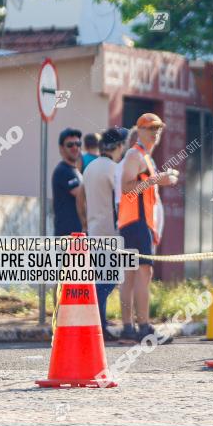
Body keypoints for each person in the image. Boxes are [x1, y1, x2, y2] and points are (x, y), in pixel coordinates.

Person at [117, 114, 178, 343]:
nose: (155, 132)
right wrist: (156, 180)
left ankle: (129, 328)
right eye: (151, 128)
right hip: (135, 223)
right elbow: (126, 187)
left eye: (159, 128)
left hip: (134, 223)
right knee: (143, 273)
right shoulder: (135, 154)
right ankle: (142, 326)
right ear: (139, 130)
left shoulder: (144, 157)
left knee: (131, 276)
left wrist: (159, 179)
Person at [79, 126, 129, 339]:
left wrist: (85, 222)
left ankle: (99, 320)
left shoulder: (89, 168)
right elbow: (121, 200)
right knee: (108, 278)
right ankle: (96, 322)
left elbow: (80, 198)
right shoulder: (114, 169)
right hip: (111, 231)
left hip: (93, 229)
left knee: (101, 275)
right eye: (122, 145)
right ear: (118, 146)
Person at [52, 128, 85, 236]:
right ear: (61, 149)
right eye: (70, 145)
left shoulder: (74, 171)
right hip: (67, 235)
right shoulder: (63, 171)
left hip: (76, 234)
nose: (75, 147)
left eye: (78, 143)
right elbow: (82, 194)